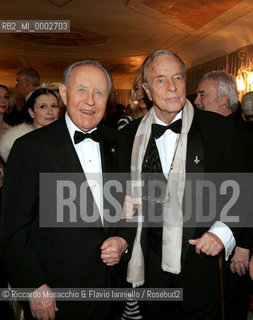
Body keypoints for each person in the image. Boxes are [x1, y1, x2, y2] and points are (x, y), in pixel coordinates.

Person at [119, 50, 252, 319]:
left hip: (203, 268)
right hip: (150, 268)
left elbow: (244, 189)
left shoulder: (221, 128)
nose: (171, 87)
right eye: (160, 80)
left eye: (178, 78)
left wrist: (224, 232)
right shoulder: (127, 138)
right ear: (145, 89)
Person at [0, 59, 134, 320]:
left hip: (111, 291)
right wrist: (34, 287)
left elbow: (133, 202)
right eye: (81, 90)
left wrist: (124, 239)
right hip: (57, 295)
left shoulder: (119, 142)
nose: (90, 101)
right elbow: (12, 229)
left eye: (99, 92)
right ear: (63, 93)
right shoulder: (30, 149)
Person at [0, 87, 60, 162]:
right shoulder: (19, 141)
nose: (50, 112)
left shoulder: (65, 138)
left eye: (54, 106)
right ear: (31, 112)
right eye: (43, 107)